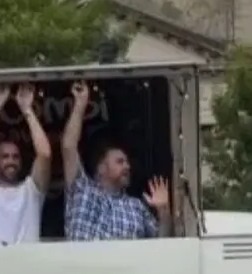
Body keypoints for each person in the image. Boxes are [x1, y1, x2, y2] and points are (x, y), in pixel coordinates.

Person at [61, 80, 172, 240]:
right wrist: (80, 105)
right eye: (120, 161)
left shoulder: (136, 207)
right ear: (101, 167)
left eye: (127, 162)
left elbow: (162, 247)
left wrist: (163, 211)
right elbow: (68, 146)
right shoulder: (81, 190)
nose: (127, 166)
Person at [0, 83, 51, 245]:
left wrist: (27, 109)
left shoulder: (32, 191)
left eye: (15, 157)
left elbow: (45, 154)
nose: (11, 161)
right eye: (5, 157)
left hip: (27, 268)